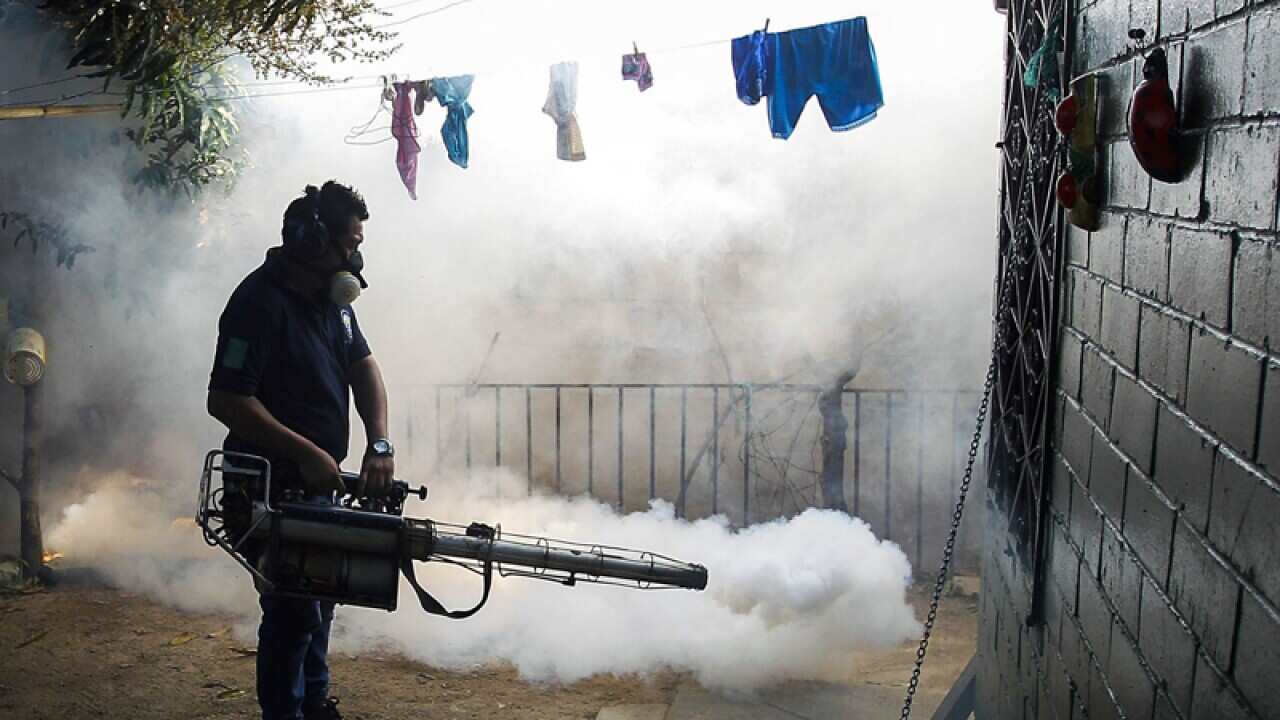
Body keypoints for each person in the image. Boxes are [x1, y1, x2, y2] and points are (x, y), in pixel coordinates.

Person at [206, 180, 395, 720]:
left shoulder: (332, 302)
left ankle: (314, 701)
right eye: (349, 244)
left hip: (315, 484)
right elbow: (227, 399)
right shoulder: (256, 304)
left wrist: (378, 442)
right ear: (311, 241)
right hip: (266, 485)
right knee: (293, 610)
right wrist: (308, 452)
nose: (356, 256)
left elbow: (364, 368)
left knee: (321, 596)